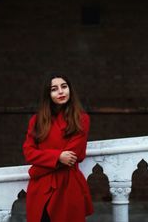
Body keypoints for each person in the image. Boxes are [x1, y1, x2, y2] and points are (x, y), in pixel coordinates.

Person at [22, 73, 93, 222]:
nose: (60, 92)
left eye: (64, 87)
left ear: (70, 90)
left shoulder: (81, 119)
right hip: (40, 188)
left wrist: (36, 170)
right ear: (48, 94)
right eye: (54, 89)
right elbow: (29, 152)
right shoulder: (37, 120)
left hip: (67, 186)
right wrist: (58, 157)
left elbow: (73, 156)